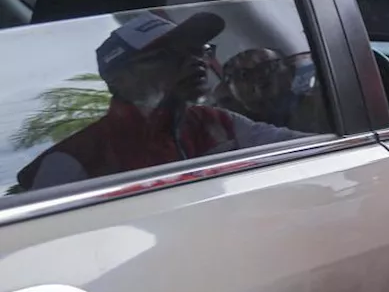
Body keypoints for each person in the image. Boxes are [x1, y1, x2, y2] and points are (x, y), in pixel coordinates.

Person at [16, 12, 309, 191]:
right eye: (169, 55)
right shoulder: (73, 160)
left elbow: (306, 148)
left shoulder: (217, 121)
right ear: (119, 79)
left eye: (199, 50)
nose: (195, 61)